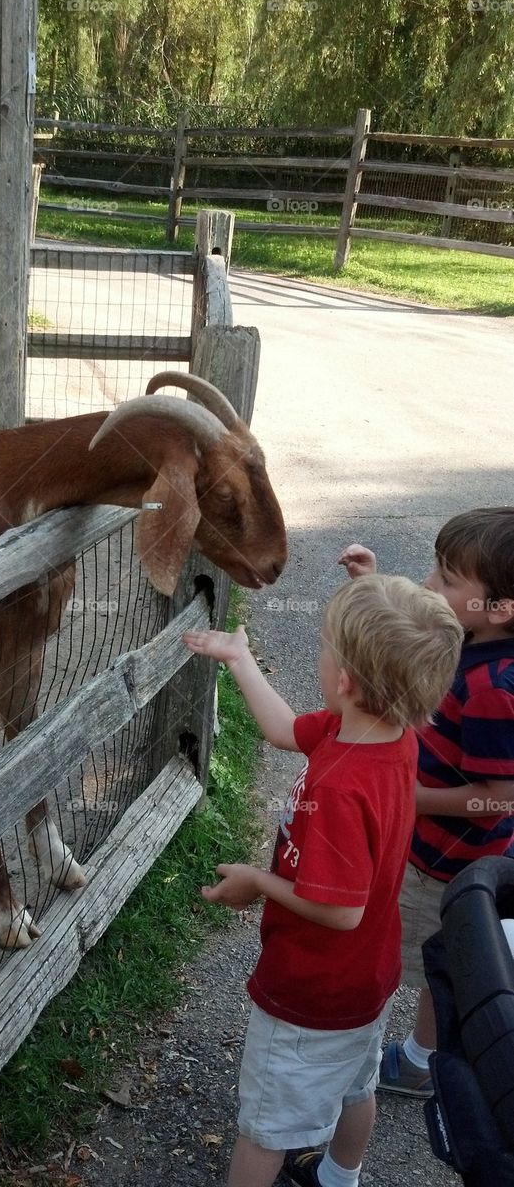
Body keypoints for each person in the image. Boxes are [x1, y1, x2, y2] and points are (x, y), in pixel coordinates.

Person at [182, 574, 463, 1187]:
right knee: (356, 1087)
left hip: (313, 990)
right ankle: (341, 1176)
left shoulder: (340, 785)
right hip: (368, 979)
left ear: (346, 682)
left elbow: (340, 911)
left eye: (323, 646)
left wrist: (257, 880)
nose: (319, 654)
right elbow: (283, 731)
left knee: (265, 1128)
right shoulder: (381, 734)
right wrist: (240, 659)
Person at [339, 507, 514, 1099]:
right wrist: (371, 589)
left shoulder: (494, 690)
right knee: (429, 958)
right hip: (428, 849)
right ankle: (418, 1052)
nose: (428, 587)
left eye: (445, 579)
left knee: (429, 964)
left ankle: (418, 1063)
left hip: (444, 867)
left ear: (501, 608)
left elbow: (500, 801)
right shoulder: (469, 637)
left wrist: (414, 799)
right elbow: (414, 641)